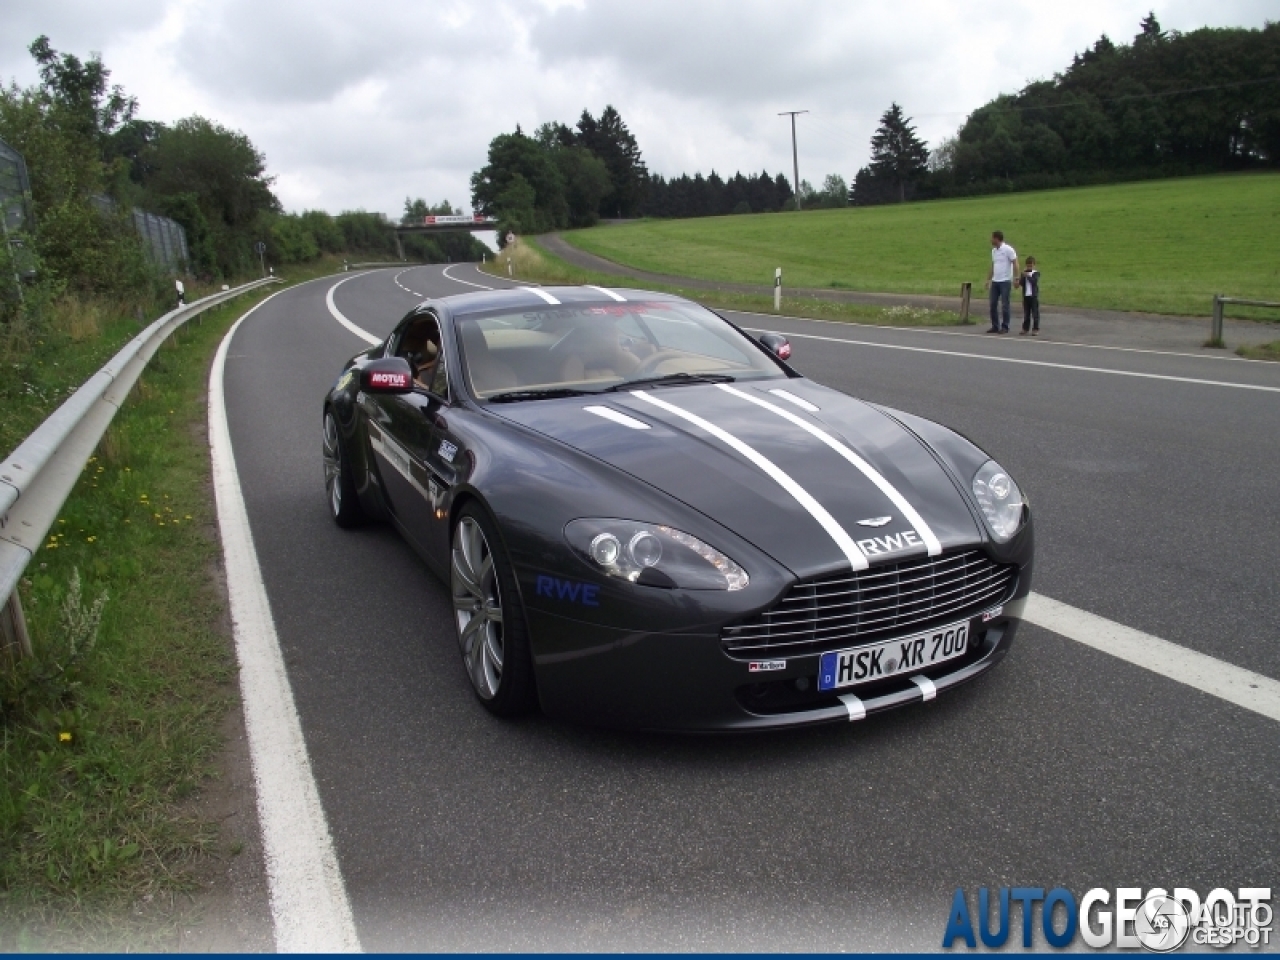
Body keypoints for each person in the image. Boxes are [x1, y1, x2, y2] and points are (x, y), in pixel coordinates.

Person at [984, 231, 1018, 334]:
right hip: (995, 280)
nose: (991, 240)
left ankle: (1005, 326)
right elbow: (993, 265)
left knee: (1005, 304)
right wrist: (988, 279)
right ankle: (995, 325)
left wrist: (1016, 278)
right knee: (993, 303)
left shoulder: (1008, 249)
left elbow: (1015, 263)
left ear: (997, 238)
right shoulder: (994, 251)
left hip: (1005, 281)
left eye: (992, 238)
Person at [1019, 256, 1041, 335]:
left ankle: (1035, 329)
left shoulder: (1035, 273)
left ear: (1034, 265)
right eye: (1028, 266)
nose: (1029, 267)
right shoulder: (1025, 273)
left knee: (1035, 313)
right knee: (1026, 313)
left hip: (1033, 296)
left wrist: (1028, 276)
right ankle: (1025, 328)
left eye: (1031, 266)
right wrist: (1022, 277)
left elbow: (1034, 282)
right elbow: (1021, 284)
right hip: (1026, 296)